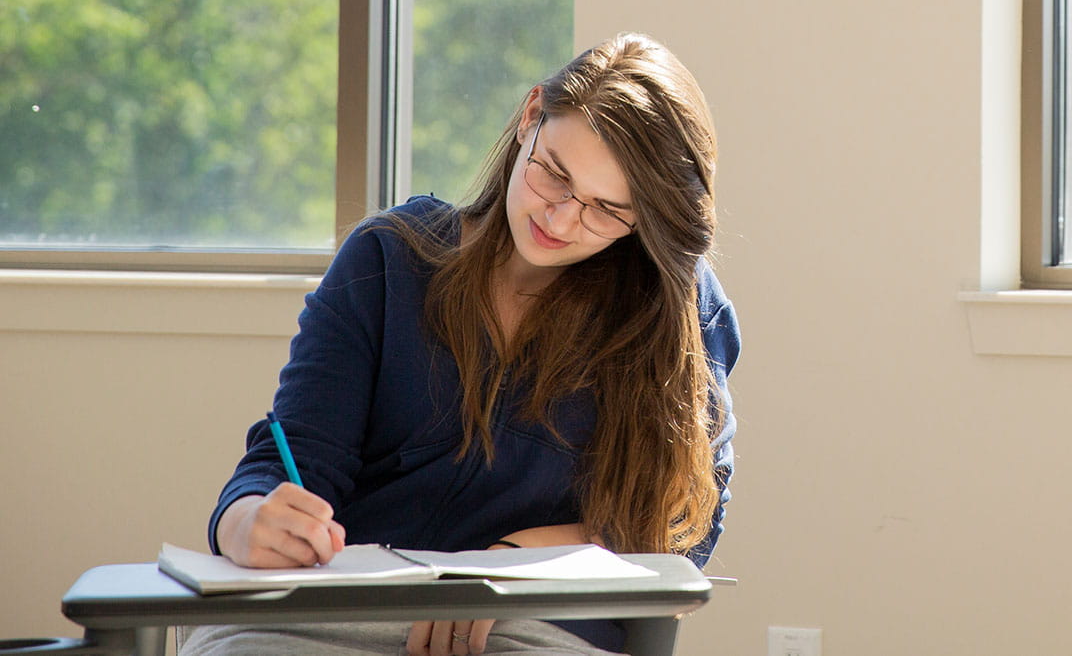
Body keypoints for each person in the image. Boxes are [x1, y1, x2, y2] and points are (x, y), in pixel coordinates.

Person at [182, 33, 739, 656]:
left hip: (537, 629)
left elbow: (682, 527)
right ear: (530, 117)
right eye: (553, 173)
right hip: (337, 616)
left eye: (606, 210)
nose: (559, 219)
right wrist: (247, 522)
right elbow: (286, 464)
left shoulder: (679, 310)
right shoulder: (387, 260)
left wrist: (507, 567)